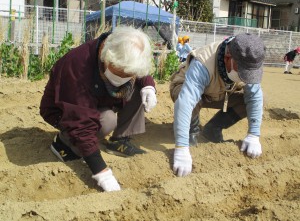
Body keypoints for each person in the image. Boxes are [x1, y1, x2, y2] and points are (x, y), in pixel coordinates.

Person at [40, 26, 157, 191]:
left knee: (138, 88)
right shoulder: (78, 65)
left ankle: (119, 140)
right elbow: (81, 123)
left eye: (127, 74)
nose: (123, 76)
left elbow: (137, 70)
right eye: (120, 71)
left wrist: (149, 87)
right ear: (107, 55)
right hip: (64, 110)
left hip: (100, 99)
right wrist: (101, 172)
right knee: (107, 120)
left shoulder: (119, 53)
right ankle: (64, 144)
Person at [169, 33, 266, 177]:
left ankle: (213, 129)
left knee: (250, 102)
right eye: (243, 72)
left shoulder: (249, 60)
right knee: (189, 98)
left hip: (220, 92)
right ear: (228, 58)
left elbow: (255, 97)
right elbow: (185, 102)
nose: (246, 77)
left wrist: (253, 134)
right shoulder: (203, 63)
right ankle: (192, 132)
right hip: (186, 87)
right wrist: (181, 148)